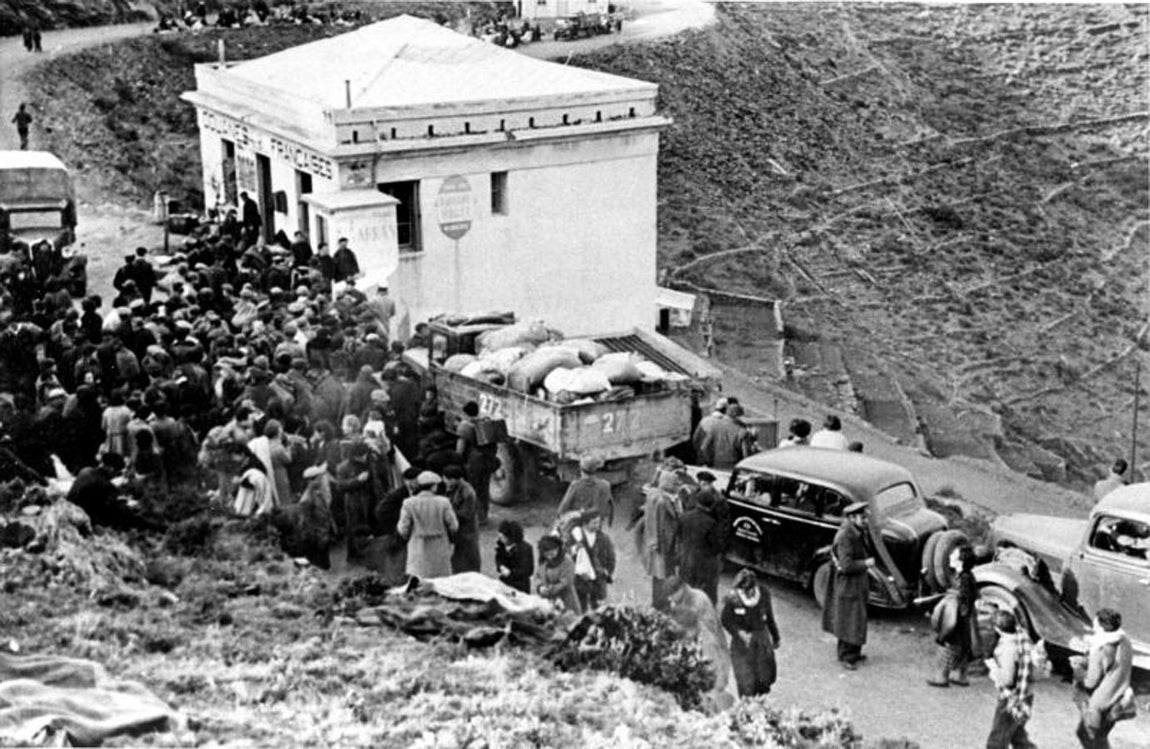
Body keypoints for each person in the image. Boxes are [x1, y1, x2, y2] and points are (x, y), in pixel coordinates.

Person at [821, 500, 874, 669]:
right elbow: (846, 565)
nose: (865, 520)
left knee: (857, 618)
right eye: (862, 517)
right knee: (848, 619)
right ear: (852, 518)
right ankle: (845, 656)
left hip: (856, 583)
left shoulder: (856, 532)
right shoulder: (845, 536)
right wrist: (866, 563)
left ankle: (855, 652)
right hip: (848, 583)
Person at [1072, 608, 1133, 749]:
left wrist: (1078, 669)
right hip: (1119, 699)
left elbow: (1090, 682)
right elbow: (1111, 665)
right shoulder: (1124, 640)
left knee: (1086, 736)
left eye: (1095, 621)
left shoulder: (1099, 649)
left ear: (1100, 625)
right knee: (1100, 738)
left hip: (1100, 704)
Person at [665, 574, 731, 704]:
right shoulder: (681, 600)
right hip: (699, 643)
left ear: (681, 589)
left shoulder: (698, 600)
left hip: (711, 646)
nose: (670, 599)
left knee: (713, 686)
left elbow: (701, 629)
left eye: (672, 595)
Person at [720, 569, 781, 697]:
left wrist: (776, 637)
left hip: (762, 642)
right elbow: (726, 619)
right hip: (742, 645)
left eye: (750, 590)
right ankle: (746, 709)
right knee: (745, 682)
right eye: (744, 591)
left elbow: (769, 617)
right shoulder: (733, 598)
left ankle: (760, 707)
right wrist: (738, 632)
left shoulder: (764, 593)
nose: (747, 594)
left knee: (763, 681)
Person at [985, 610, 1038, 749]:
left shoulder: (1008, 648)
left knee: (997, 739)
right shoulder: (1022, 638)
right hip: (1026, 694)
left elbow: (1007, 679)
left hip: (1011, 699)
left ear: (998, 629)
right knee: (1017, 735)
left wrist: (993, 669)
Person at [928, 546, 979, 687]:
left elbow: (963, 600)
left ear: (961, 561)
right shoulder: (967, 576)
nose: (950, 556)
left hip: (957, 619)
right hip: (964, 619)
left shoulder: (963, 579)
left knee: (949, 648)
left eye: (954, 555)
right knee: (962, 648)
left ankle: (942, 677)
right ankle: (959, 676)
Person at [396, 470, 458, 579]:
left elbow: (403, 529)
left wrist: (408, 537)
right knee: (441, 582)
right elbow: (454, 526)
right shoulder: (444, 502)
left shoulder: (409, 503)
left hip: (417, 547)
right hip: (440, 547)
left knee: (418, 580)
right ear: (433, 487)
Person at [678, 483, 725, 604]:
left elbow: (679, 535)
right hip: (703, 563)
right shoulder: (711, 523)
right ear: (710, 506)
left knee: (685, 589)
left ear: (697, 502)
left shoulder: (684, 517)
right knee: (702, 593)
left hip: (686, 559)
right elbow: (718, 547)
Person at [570, 509, 615, 611]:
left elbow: (611, 557)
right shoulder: (575, 536)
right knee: (580, 606)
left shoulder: (603, 538)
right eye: (594, 523)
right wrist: (574, 549)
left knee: (599, 608)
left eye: (598, 522)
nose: (597, 525)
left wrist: (607, 571)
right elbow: (566, 554)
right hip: (580, 578)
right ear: (585, 523)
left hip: (599, 578)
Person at [443, 464, 481, 573]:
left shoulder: (467, 492)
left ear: (454, 479)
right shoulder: (454, 487)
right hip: (459, 530)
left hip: (467, 531)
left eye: (446, 479)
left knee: (469, 557)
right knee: (458, 558)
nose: (444, 481)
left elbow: (466, 514)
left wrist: (447, 513)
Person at [556, 456, 614, 527]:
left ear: (581, 470)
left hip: (578, 524)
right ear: (596, 470)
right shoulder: (605, 485)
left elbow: (562, 509)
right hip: (595, 525)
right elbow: (610, 507)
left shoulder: (576, 485)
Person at [533, 534, 580, 614]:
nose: (549, 557)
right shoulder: (543, 561)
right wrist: (540, 587)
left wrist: (551, 589)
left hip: (565, 598)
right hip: (547, 599)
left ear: (558, 548)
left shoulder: (567, 561)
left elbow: (567, 581)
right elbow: (537, 576)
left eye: (552, 553)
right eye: (546, 554)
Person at [495, 519, 534, 593]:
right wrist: (500, 566)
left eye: (502, 537)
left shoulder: (526, 549)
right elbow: (498, 558)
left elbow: (528, 571)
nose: (500, 539)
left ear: (511, 538)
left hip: (520, 585)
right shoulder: (501, 545)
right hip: (505, 581)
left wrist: (511, 573)